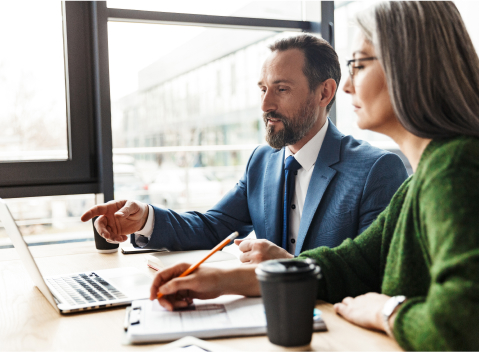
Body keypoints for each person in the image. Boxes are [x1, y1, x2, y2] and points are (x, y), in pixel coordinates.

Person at [148, 2, 479, 350]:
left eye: (359, 65)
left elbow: (462, 325)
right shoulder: (425, 177)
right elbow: (348, 265)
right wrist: (221, 280)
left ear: (412, 66)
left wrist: (386, 310)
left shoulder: (455, 167)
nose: (348, 85)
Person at [81, 34, 407, 262]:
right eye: (263, 89)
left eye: (281, 89)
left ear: (324, 93)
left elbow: (373, 274)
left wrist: (289, 269)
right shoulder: (262, 161)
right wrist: (144, 219)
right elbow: (214, 226)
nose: (266, 104)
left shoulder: (376, 170)